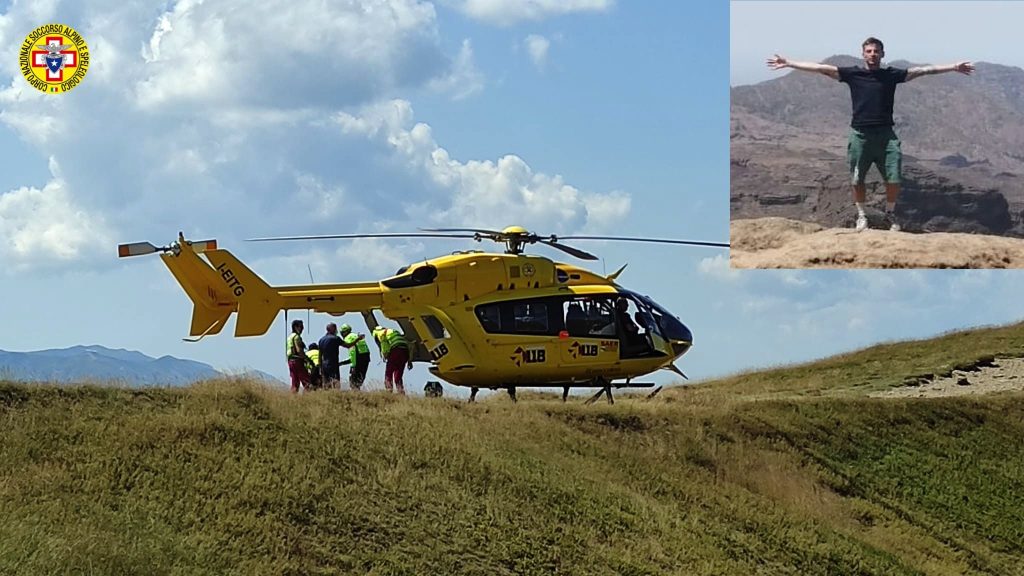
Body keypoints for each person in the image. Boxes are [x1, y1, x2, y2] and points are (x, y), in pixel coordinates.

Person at [767, 38, 974, 232]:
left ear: (883, 54)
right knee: (857, 179)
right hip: (860, 135)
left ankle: (890, 214)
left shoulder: (890, 75)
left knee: (894, 178)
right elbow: (822, 69)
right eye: (869, 51)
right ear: (863, 54)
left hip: (886, 136)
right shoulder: (853, 74)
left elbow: (923, 71)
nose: (873, 54)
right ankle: (861, 215)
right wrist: (788, 63)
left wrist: (954, 67)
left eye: (876, 51)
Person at [372, 325, 412, 395]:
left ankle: (389, 390)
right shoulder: (392, 331)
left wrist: (385, 355)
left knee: (389, 372)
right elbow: (408, 345)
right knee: (398, 374)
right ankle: (400, 392)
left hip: (396, 350)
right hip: (405, 352)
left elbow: (384, 344)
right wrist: (409, 360)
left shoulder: (380, 333)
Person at [339, 324, 371, 391]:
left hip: (357, 360)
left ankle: (356, 396)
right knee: (359, 380)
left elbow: (353, 352)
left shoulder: (348, 338)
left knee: (353, 381)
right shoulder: (355, 336)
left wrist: (353, 366)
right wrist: (342, 363)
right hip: (365, 359)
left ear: (345, 332)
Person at [286, 319, 310, 393]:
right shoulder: (297, 337)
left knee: (295, 383)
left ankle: (293, 399)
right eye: (301, 327)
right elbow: (299, 350)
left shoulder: (289, 337)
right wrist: (307, 359)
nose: (302, 329)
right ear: (296, 327)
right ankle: (307, 398)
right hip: (297, 361)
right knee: (307, 382)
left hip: (290, 361)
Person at [318, 323, 344, 389]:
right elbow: (348, 345)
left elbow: (320, 355)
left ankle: (327, 397)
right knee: (336, 382)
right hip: (333, 364)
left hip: (324, 365)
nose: (336, 330)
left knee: (326, 383)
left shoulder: (321, 340)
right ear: (332, 329)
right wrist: (357, 339)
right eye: (335, 328)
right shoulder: (336, 338)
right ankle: (336, 396)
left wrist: (320, 367)